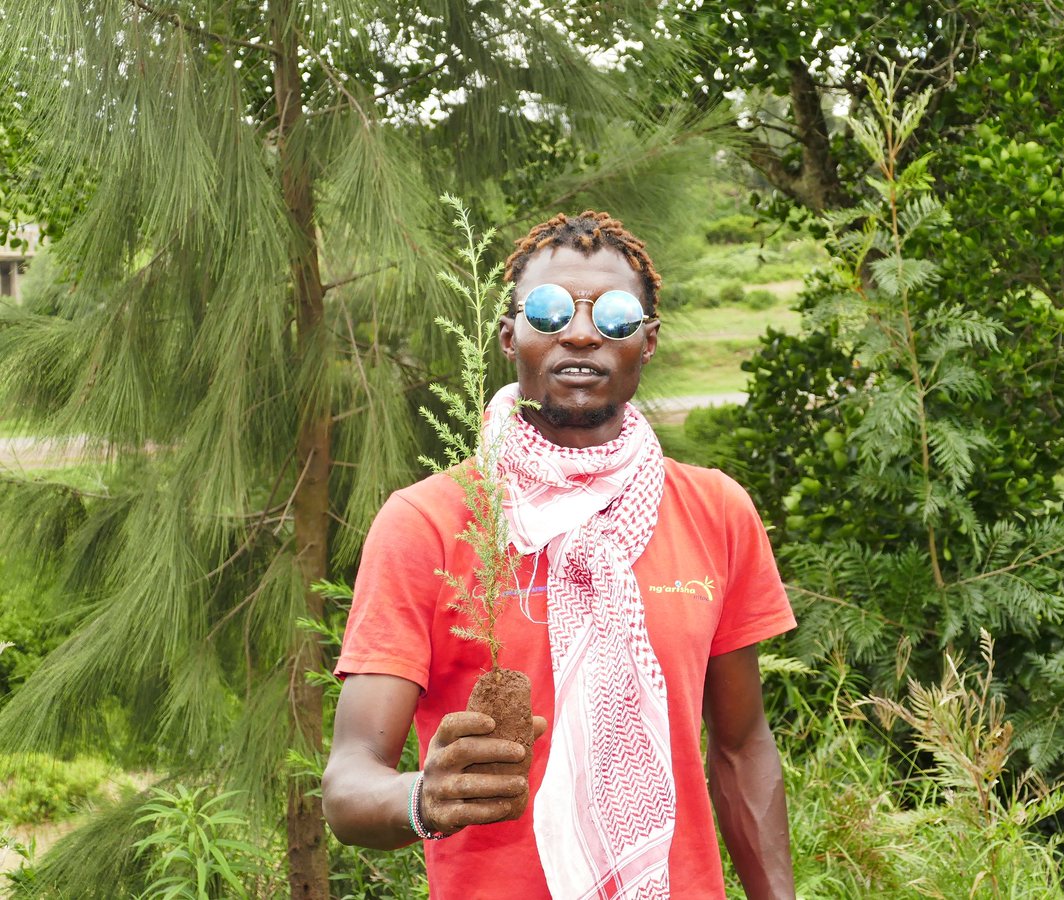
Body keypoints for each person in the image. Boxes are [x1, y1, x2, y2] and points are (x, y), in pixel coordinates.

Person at [322, 211, 797, 899]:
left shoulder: (717, 512)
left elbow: (742, 747)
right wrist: (420, 797)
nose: (579, 332)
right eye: (548, 311)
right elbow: (348, 783)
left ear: (648, 340)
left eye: (614, 314)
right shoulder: (427, 522)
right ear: (510, 335)